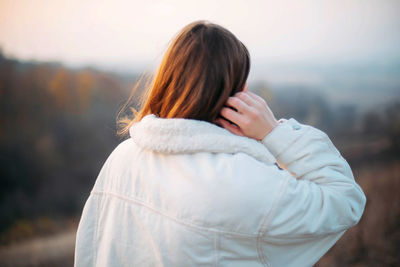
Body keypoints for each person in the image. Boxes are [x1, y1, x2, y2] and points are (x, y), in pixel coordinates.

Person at [74, 20, 366, 267]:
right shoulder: (245, 183)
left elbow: (91, 250)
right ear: (236, 95)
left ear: (169, 81)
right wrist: (274, 132)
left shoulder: (122, 157)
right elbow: (345, 199)